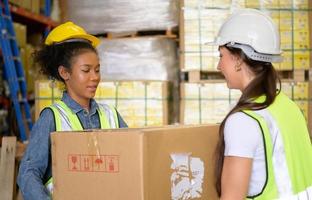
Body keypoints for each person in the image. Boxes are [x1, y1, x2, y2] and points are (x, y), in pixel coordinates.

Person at [17, 22, 128, 200]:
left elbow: (131, 158)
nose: (95, 77)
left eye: (97, 70)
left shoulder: (111, 115)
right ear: (64, 73)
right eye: (86, 70)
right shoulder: (52, 117)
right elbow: (28, 173)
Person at [212, 9, 312, 199]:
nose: (218, 66)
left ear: (239, 59)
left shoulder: (243, 121)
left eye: (221, 55)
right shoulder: (288, 107)